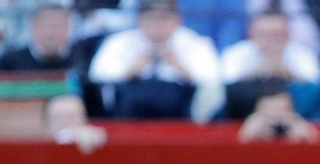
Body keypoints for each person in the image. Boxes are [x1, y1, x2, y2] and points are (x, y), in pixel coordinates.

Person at [87, 0, 224, 120]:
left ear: (178, 20)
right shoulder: (119, 43)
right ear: (139, 20)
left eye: (164, 18)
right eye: (151, 18)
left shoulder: (196, 44)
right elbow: (97, 77)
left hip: (182, 118)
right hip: (129, 117)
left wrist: (182, 69)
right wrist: (130, 72)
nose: (157, 25)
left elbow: (213, 82)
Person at [220, 5, 320, 119]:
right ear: (250, 34)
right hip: (243, 117)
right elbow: (224, 89)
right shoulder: (235, 54)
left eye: (276, 35)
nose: (270, 42)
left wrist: (289, 74)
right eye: (263, 35)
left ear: (288, 35)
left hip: (297, 117)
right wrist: (257, 73)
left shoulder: (303, 55)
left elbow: (318, 87)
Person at [0, 2, 73, 69]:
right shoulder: (10, 63)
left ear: (67, 28)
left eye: (56, 26)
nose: (51, 32)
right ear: (33, 27)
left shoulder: (78, 58)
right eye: (46, 25)